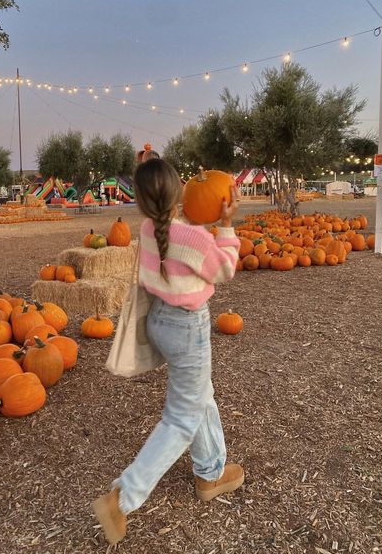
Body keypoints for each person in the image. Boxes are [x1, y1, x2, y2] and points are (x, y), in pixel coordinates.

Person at [93, 158, 243, 545]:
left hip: (161, 322)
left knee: (198, 396)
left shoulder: (148, 228)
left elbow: (174, 232)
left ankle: (210, 472)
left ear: (141, 202)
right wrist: (225, 224)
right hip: (187, 328)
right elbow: (224, 268)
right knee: (180, 418)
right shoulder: (193, 238)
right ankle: (123, 498)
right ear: (180, 193)